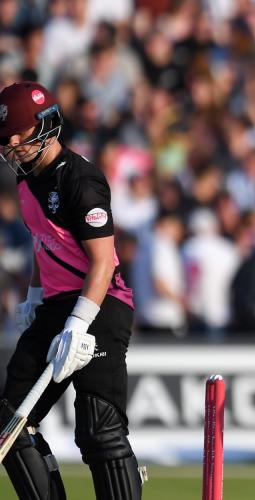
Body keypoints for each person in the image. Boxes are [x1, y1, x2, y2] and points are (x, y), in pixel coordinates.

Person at [0, 81, 144, 499]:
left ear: (45, 127)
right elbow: (44, 244)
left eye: (19, 133)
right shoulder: (26, 184)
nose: (10, 143)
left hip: (100, 306)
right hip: (55, 307)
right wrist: (32, 296)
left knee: (99, 429)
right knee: (9, 423)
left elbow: (102, 262)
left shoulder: (81, 179)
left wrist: (78, 324)